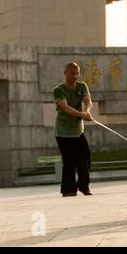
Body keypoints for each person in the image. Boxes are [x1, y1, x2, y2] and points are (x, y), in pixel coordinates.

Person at [53, 62, 94, 197]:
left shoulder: (82, 86)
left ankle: (83, 186)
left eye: (77, 73)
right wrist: (81, 115)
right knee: (69, 160)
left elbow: (88, 101)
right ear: (65, 73)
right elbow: (65, 107)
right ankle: (68, 189)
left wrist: (87, 112)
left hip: (78, 131)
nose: (75, 76)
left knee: (85, 155)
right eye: (72, 73)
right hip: (63, 132)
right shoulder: (59, 90)